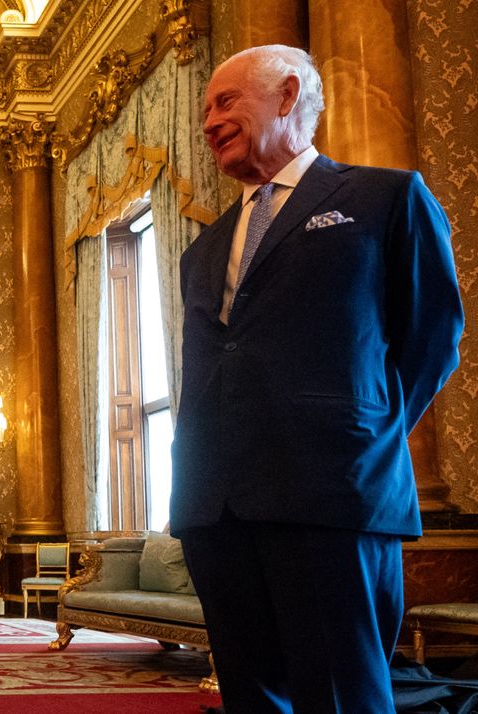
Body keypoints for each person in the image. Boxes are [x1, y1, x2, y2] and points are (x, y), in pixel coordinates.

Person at [171, 44, 463, 712]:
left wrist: (362, 438)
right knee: (252, 697)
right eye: (205, 109)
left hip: (332, 497)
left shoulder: (384, 199)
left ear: (286, 95)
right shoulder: (204, 247)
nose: (208, 122)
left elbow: (433, 337)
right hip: (214, 506)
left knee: (341, 697)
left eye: (225, 101)